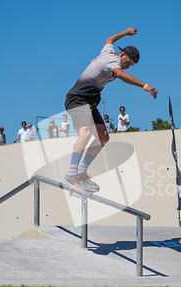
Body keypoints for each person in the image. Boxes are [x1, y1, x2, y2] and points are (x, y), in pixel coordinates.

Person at [63, 27, 157, 193]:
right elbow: (120, 75)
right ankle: (71, 175)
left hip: (90, 102)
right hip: (78, 98)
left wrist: (126, 32)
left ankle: (81, 173)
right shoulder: (113, 62)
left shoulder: (108, 52)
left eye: (131, 66)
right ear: (122, 55)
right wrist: (145, 85)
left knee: (103, 136)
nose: (127, 67)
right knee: (85, 134)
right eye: (128, 63)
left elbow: (109, 40)